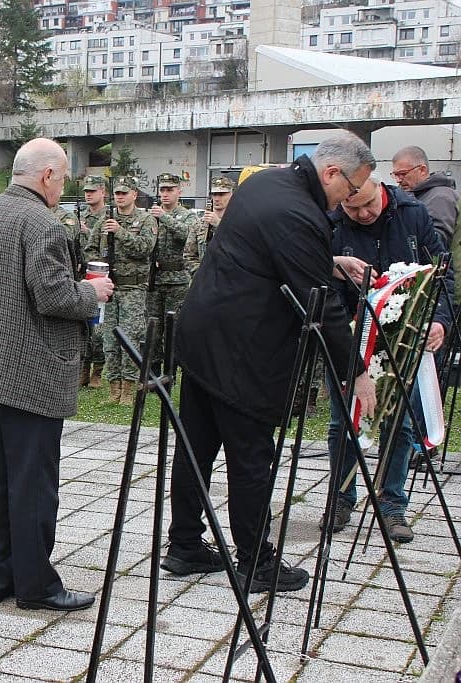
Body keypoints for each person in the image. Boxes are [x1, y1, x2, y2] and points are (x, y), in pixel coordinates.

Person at [160, 131, 378, 593]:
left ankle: (183, 546)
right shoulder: (299, 213)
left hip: (204, 332)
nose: (349, 198)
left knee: (195, 443)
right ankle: (257, 562)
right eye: (352, 187)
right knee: (251, 454)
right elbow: (320, 306)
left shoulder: (265, 183)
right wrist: (356, 371)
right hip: (243, 349)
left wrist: (330, 260)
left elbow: (264, 253)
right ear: (331, 172)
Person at [0, 138, 114, 611]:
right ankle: (37, 586)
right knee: (34, 483)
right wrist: (93, 292)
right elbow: (54, 298)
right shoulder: (43, 223)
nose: (62, 186)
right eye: (63, 177)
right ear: (47, 175)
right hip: (34, 374)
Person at [325, 172, 452, 543]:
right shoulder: (331, 222)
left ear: (381, 191)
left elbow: (441, 273)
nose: (363, 213)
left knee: (400, 423)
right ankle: (341, 497)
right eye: (354, 207)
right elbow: (324, 286)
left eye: (369, 204)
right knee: (343, 421)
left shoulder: (413, 213)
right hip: (350, 336)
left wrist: (440, 320)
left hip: (404, 334)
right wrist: (343, 331)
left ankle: (392, 502)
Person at [85, 175, 157, 404]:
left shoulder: (145, 219)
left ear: (134, 194)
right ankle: (113, 386)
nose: (120, 197)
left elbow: (145, 248)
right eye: (117, 193)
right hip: (110, 288)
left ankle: (129, 388)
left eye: (124, 193)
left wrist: (121, 232)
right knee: (109, 339)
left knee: (131, 337)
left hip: (133, 288)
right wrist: (99, 268)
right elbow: (90, 248)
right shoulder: (105, 219)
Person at [146, 173, 200, 362]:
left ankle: (171, 367)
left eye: (170, 190)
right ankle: (152, 369)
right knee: (153, 326)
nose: (165, 194)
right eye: (163, 190)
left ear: (179, 191)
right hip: (155, 279)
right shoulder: (150, 216)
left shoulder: (188, 216)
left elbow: (188, 236)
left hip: (177, 280)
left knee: (173, 326)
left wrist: (165, 218)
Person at [391, 145, 458, 247]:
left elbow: (437, 241)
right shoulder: (413, 196)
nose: (398, 180)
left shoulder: (441, 197)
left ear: (422, 170)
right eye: (395, 175)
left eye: (403, 174)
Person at [78, 175, 109, 388]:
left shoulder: (109, 217)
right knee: (84, 326)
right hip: (82, 276)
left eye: (93, 190)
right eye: (86, 191)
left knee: (99, 328)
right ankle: (83, 367)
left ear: (102, 192)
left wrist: (88, 232)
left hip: (102, 277)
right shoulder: (80, 216)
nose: (88, 194)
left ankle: (98, 368)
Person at [201, 176, 235, 243]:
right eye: (214, 194)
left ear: (231, 194)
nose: (216, 199)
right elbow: (189, 251)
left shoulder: (238, 222)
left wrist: (218, 224)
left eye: (221, 194)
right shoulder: (200, 223)